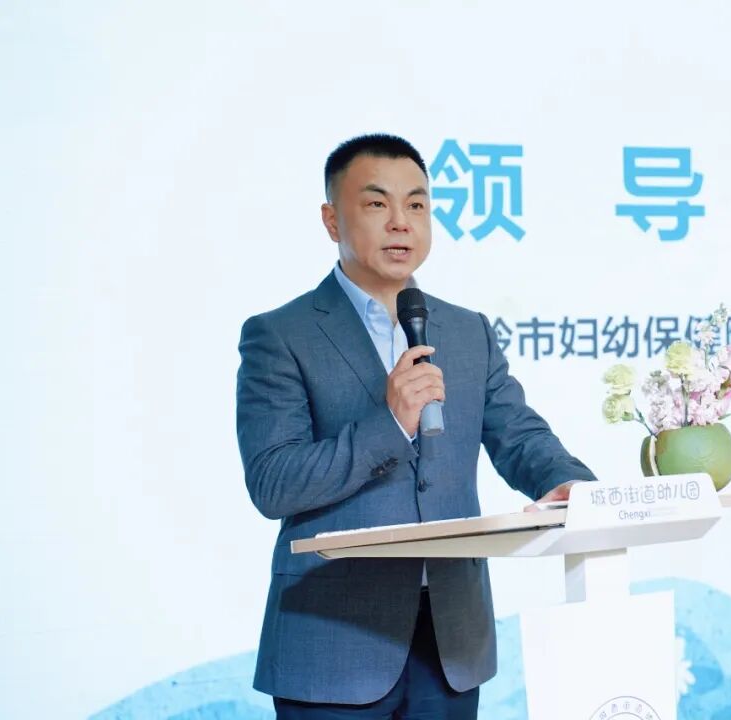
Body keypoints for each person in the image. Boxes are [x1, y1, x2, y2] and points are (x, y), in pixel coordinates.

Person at [236, 133, 596, 719]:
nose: (401, 222)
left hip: (451, 639)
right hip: (334, 642)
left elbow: (520, 435)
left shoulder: (467, 330)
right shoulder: (280, 335)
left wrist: (570, 484)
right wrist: (390, 423)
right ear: (332, 220)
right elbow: (274, 482)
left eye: (417, 204)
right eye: (377, 203)